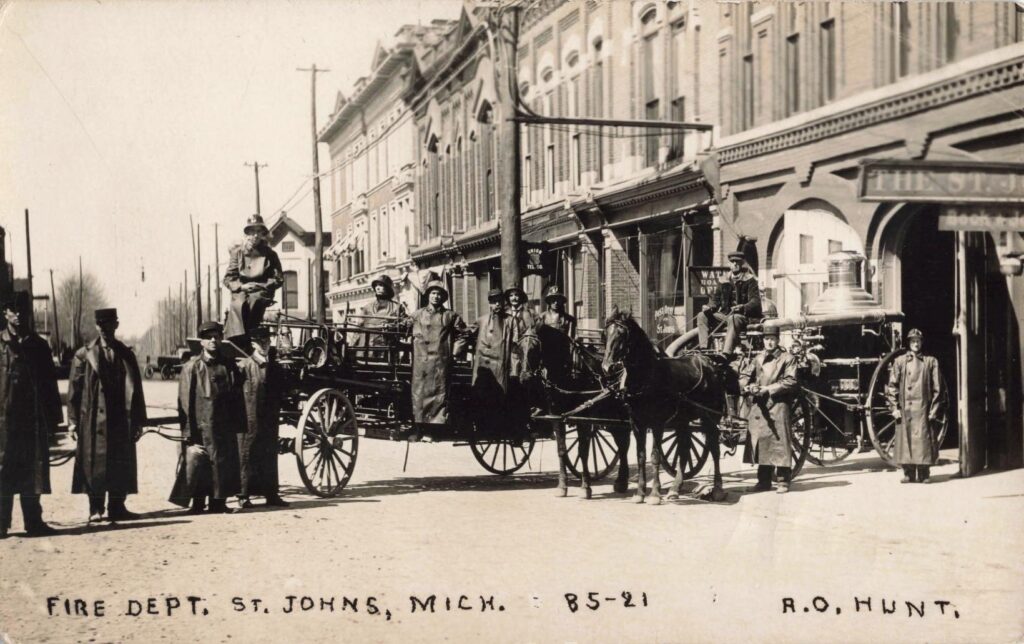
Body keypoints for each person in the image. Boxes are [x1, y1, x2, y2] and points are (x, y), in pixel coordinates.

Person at [67, 308, 148, 523]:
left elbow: (136, 390)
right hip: (93, 419)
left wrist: (139, 420)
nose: (104, 329)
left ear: (116, 325)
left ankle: (117, 506)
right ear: (96, 326)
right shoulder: (84, 355)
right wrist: (73, 422)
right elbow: (74, 392)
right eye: (101, 325)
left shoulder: (126, 354)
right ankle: (95, 508)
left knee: (119, 461)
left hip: (120, 418)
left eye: (109, 324)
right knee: (94, 462)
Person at [0, 294, 62, 538]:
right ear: (5, 313)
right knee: (3, 471)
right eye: (12, 310)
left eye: (22, 310)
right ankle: (1, 523)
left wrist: (54, 419)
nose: (18, 314)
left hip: (31, 420)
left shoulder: (38, 346)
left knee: (31, 471)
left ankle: (33, 522)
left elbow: (49, 385)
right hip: (4, 422)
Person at [169, 321, 245, 514]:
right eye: (208, 337)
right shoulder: (192, 367)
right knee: (201, 463)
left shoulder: (228, 365)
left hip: (224, 426)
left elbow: (237, 396)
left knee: (222, 463)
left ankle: (219, 503)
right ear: (201, 341)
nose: (213, 340)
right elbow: (185, 403)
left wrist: (238, 424)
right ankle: (197, 503)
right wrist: (188, 434)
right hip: (203, 426)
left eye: (216, 337)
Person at [236, 326, 288, 508]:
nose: (264, 345)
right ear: (253, 344)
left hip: (270, 419)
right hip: (249, 418)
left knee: (269, 454)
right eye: (260, 342)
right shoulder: (244, 367)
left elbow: (282, 393)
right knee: (247, 454)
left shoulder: (275, 368)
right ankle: (243, 495)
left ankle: (271, 494)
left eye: (266, 341)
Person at [743, 325, 799, 494]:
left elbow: (790, 381)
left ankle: (783, 481)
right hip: (760, 405)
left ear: (778, 340)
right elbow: (745, 376)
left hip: (779, 404)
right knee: (762, 441)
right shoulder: (758, 358)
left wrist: (768, 389)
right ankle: (764, 480)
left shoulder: (787, 358)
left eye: (772, 339)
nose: (769, 342)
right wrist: (747, 387)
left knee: (779, 441)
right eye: (766, 339)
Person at [886, 328, 945, 484]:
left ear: (921, 342)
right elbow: (892, 386)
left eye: (918, 341)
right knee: (906, 440)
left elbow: (938, 388)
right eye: (912, 341)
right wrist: (894, 408)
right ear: (909, 343)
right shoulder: (900, 362)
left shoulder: (931, 361)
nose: (915, 344)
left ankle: (924, 473)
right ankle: (908, 473)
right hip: (906, 409)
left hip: (923, 408)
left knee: (923, 441)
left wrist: (934, 410)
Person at [408, 280, 467, 429]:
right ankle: (419, 428)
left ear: (443, 297)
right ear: (428, 295)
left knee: (439, 393)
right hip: (420, 361)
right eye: (433, 293)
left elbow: (463, 335)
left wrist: (454, 353)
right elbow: (403, 328)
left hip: (441, 361)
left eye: (439, 294)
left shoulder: (450, 316)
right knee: (419, 394)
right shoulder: (417, 315)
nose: (435, 296)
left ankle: (436, 430)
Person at [223, 214, 284, 341]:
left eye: (258, 232)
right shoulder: (237, 253)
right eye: (252, 232)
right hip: (242, 290)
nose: (255, 235)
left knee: (254, 301)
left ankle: (250, 337)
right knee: (238, 304)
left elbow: (278, 278)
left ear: (262, 234)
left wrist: (261, 286)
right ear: (247, 234)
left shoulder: (270, 254)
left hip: (262, 291)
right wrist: (242, 286)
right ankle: (234, 340)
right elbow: (229, 278)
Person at [697, 251, 761, 354]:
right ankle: (705, 350)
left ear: (741, 263)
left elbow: (755, 301)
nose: (735, 264)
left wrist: (743, 307)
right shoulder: (723, 280)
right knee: (702, 315)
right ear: (729, 264)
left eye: (737, 262)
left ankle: (726, 353)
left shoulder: (750, 280)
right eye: (732, 262)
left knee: (734, 318)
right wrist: (709, 307)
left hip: (744, 318)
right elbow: (715, 300)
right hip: (725, 316)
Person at [471, 289, 510, 430]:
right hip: (482, 363)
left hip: (500, 363)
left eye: (500, 301)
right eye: (494, 302)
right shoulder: (481, 320)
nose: (497, 304)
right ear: (490, 304)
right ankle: (482, 425)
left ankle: (497, 425)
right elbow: (468, 334)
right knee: (481, 393)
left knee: (498, 394)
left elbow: (518, 343)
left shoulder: (510, 321)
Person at [355, 274, 407, 362]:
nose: (378, 288)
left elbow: (405, 324)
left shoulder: (397, 307)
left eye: (381, 285)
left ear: (388, 288)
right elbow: (358, 329)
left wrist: (392, 326)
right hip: (367, 349)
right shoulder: (367, 307)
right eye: (376, 285)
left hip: (387, 349)